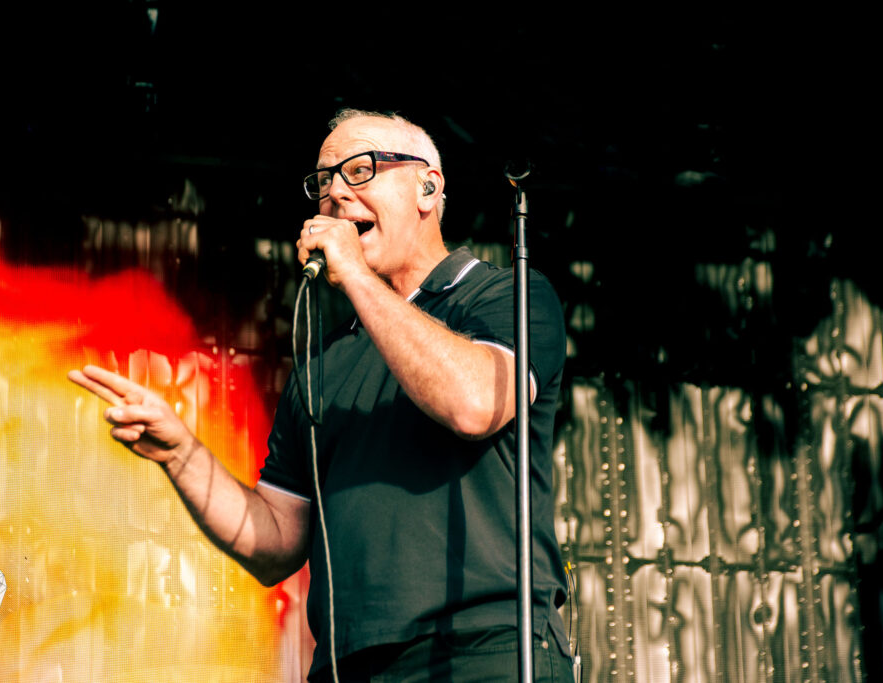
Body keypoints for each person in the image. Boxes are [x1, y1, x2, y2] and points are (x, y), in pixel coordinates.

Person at [70, 109, 572, 682]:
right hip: (346, 665)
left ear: (427, 189)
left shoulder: (505, 296)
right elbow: (277, 540)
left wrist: (354, 275)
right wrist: (182, 454)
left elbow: (475, 403)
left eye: (359, 170)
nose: (335, 193)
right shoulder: (325, 362)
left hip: (484, 650)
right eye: (324, 181)